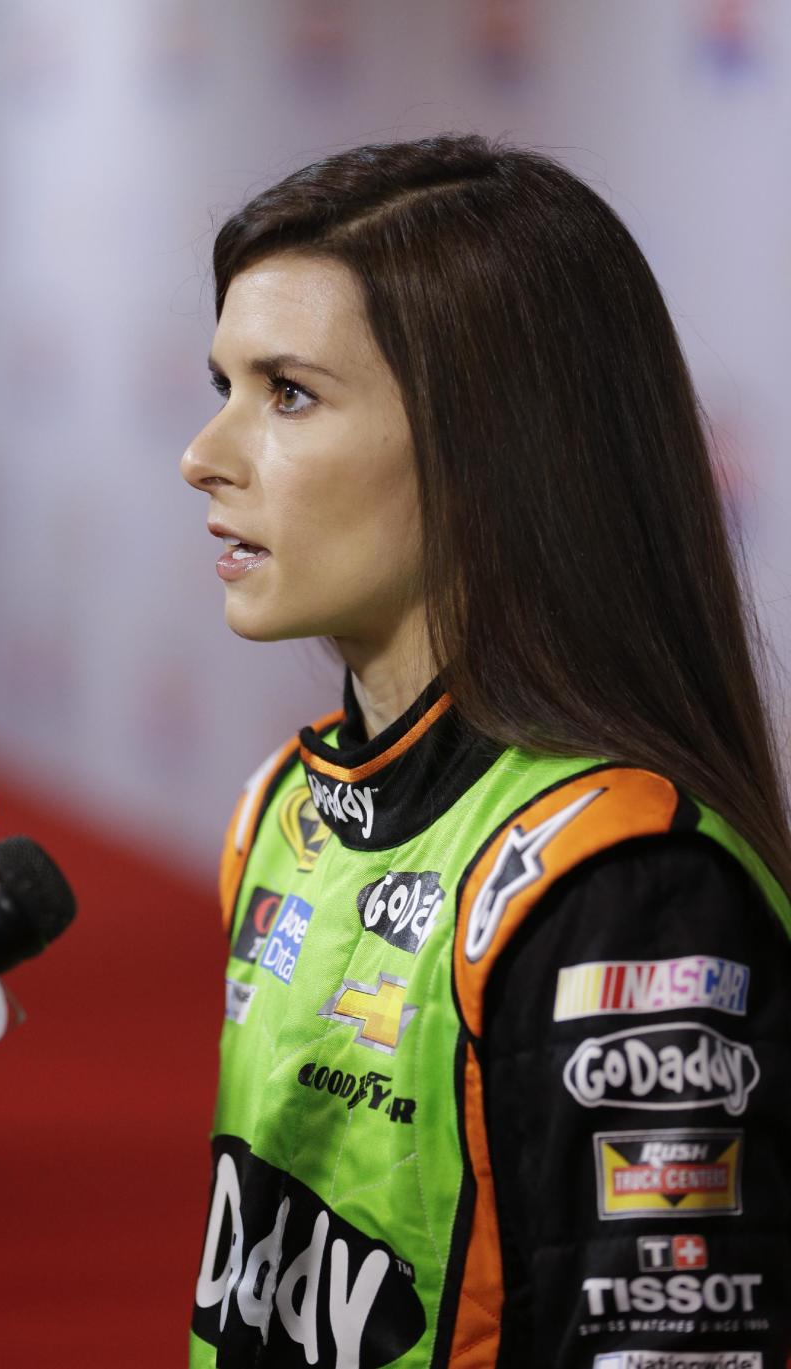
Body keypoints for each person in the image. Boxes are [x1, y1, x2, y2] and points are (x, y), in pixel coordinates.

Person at [179, 132, 791, 1368]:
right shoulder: (284, 809)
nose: (207, 455)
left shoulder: (624, 889)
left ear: (485, 444)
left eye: (287, 394)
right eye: (222, 385)